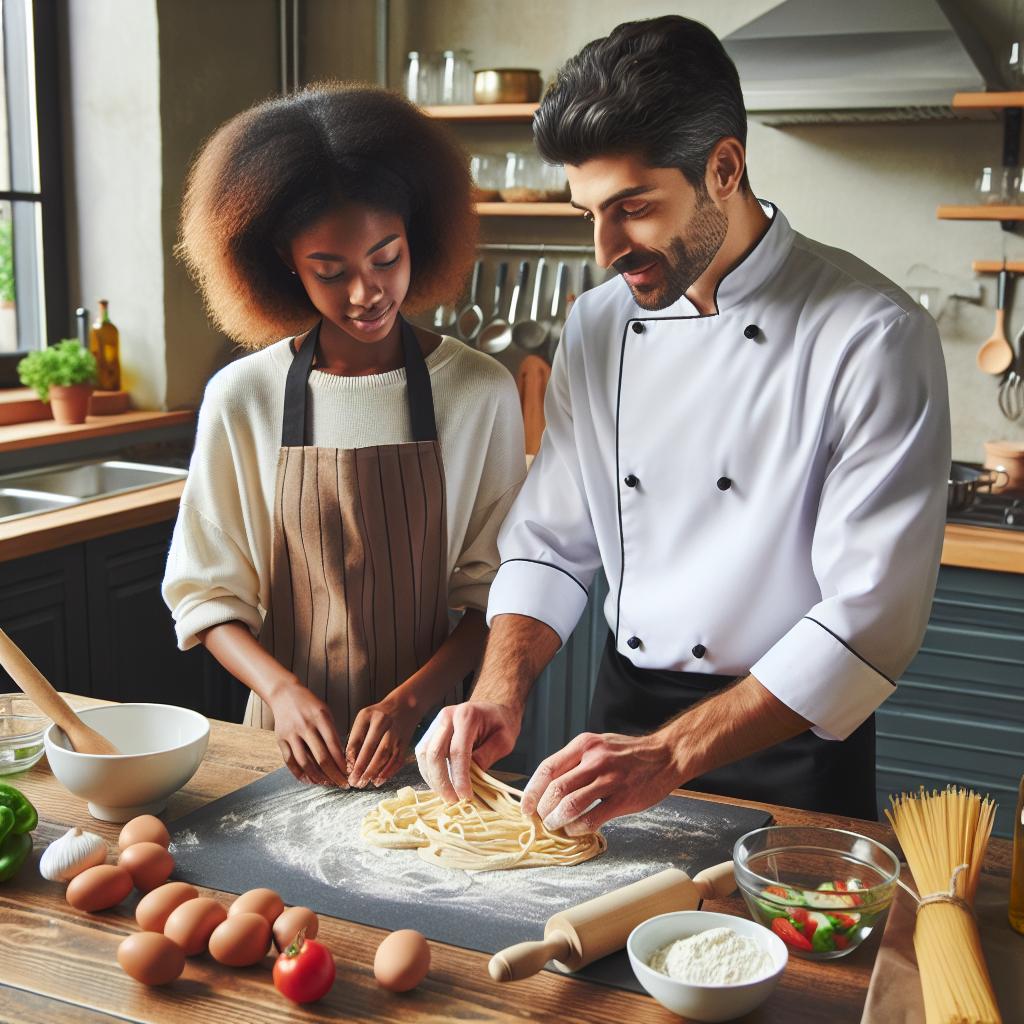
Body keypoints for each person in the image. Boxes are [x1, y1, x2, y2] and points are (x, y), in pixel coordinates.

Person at [416, 16, 950, 828]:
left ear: (724, 168)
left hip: (789, 733)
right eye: (588, 211)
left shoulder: (871, 333)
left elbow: (868, 619)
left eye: (632, 208)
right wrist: (498, 691)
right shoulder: (597, 326)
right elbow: (552, 541)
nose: (603, 249)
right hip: (619, 724)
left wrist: (670, 756)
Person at [163, 83, 525, 791]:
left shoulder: (479, 391)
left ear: (416, 234)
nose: (366, 294)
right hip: (285, 744)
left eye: (386, 258)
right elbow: (207, 599)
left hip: (438, 744)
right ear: (283, 262)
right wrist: (282, 693)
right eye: (331, 272)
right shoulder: (245, 397)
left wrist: (409, 703)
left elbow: (498, 597)